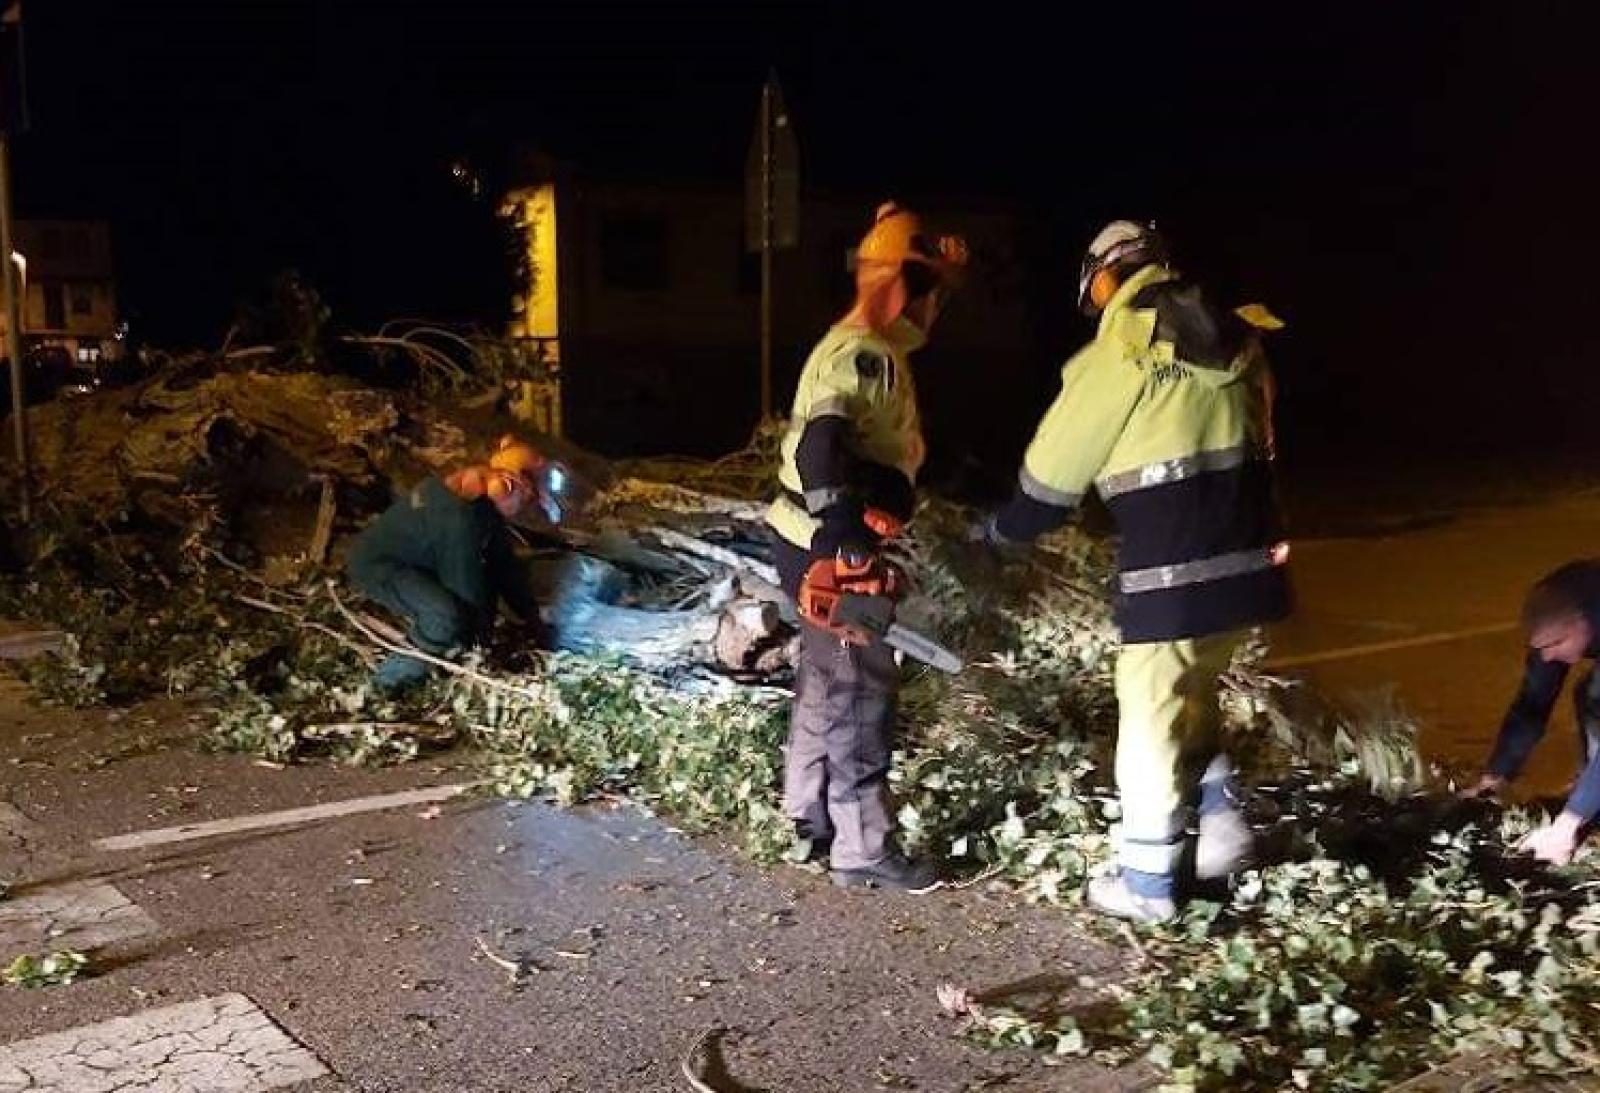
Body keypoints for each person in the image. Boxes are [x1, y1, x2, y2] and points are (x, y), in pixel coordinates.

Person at [976, 220, 1290, 923]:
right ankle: (1222, 831)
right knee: (1195, 690)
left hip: (1170, 571)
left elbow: (1053, 476)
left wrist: (1001, 530)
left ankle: (1148, 885)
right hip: (1245, 567)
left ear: (1107, 277)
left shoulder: (1123, 347)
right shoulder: (1238, 338)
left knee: (1149, 716)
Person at [766, 202, 967, 892]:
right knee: (862, 688)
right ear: (905, 283)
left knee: (824, 683)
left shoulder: (855, 348)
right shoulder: (864, 354)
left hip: (806, 537)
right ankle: (862, 845)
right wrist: (845, 542)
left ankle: (806, 815)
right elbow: (822, 443)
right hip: (831, 547)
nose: (936, 309)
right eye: (933, 291)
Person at [346, 435, 547, 693]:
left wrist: (531, 616)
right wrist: (475, 651)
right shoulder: (457, 518)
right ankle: (383, 687)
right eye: (527, 497)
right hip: (379, 567)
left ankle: (463, 657)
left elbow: (503, 565)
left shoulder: (482, 506)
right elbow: (464, 588)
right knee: (443, 617)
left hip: (417, 562)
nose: (525, 506)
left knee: (484, 587)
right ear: (505, 484)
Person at [1462, 561, 1600, 864]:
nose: (1548, 655)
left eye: (1555, 644)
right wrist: (1497, 774)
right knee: (1585, 695)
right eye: (1540, 647)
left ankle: (1588, 802)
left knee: (1595, 699)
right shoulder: (1554, 624)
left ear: (1580, 625)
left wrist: (1566, 826)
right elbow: (1532, 705)